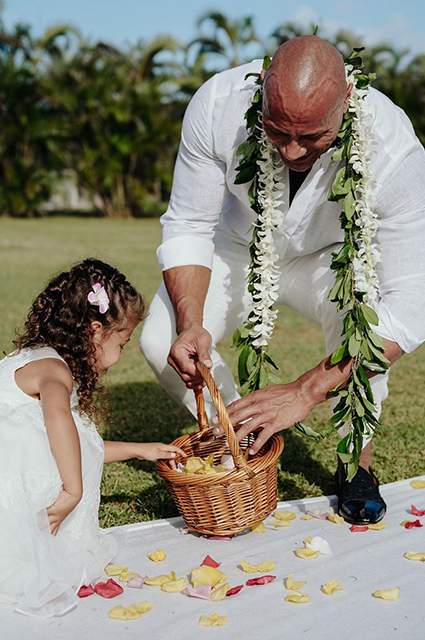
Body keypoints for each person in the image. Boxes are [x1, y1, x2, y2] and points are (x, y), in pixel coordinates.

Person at [140, 35, 425, 524]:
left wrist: (305, 391)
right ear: (263, 91)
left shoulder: (394, 150)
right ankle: (243, 436)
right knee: (159, 337)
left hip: (336, 257)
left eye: (311, 136)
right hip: (240, 246)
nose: (292, 149)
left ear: (346, 105)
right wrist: (191, 322)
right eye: (276, 130)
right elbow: (189, 222)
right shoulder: (218, 104)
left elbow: (414, 300)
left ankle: (356, 464)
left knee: (362, 319)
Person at [0, 258, 185, 618]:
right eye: (123, 342)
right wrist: (72, 490)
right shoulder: (54, 370)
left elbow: (72, 445)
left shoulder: (31, 359)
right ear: (95, 330)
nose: (120, 355)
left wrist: (139, 450)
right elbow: (57, 419)